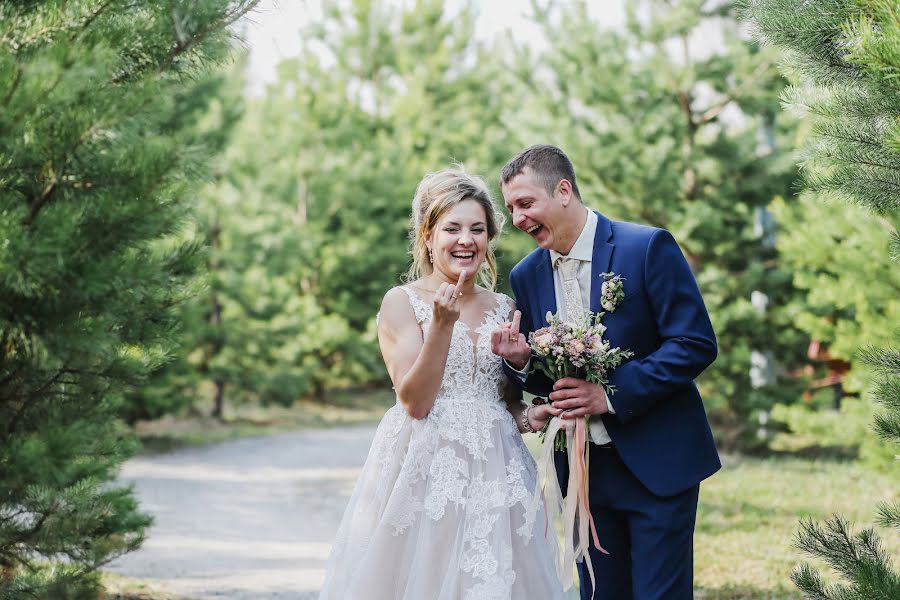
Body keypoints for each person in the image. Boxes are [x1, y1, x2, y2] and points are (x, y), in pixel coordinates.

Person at [319, 168, 571, 600]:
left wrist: (533, 414)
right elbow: (415, 402)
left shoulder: (505, 306)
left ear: (490, 238)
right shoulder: (402, 302)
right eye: (451, 228)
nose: (465, 240)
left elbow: (502, 404)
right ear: (428, 236)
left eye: (477, 229)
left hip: (497, 477)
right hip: (425, 475)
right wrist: (440, 326)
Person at [491, 145, 721, 600]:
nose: (517, 218)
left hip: (657, 461)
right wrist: (520, 362)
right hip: (582, 474)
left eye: (525, 203)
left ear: (563, 190)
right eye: (511, 208)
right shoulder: (527, 275)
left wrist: (610, 394)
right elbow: (550, 379)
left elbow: (694, 343)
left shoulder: (646, 247)